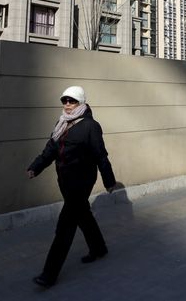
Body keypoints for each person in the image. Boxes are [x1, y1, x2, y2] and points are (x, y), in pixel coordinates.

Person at [27, 85, 117, 287]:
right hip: (65, 181)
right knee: (83, 215)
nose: (67, 105)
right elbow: (50, 149)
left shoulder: (90, 126)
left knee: (65, 226)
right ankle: (99, 248)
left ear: (81, 103)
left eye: (72, 101)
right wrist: (35, 167)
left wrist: (109, 180)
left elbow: (100, 155)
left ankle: (49, 274)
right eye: (65, 101)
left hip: (82, 181)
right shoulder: (61, 123)